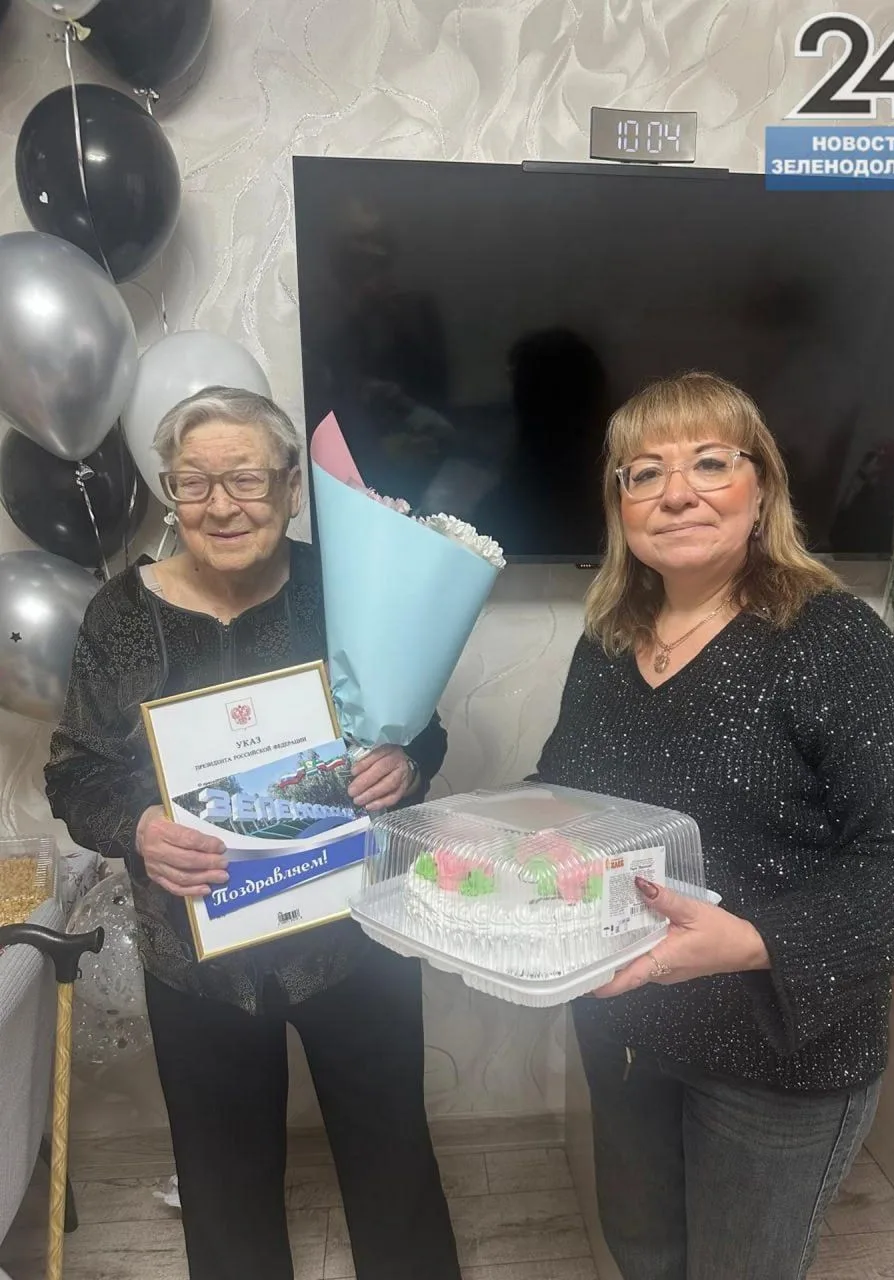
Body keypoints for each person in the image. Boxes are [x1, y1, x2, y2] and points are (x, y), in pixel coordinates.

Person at [534, 371, 894, 1280]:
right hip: (625, 1022)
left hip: (778, 1053)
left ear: (761, 488)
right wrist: (513, 835)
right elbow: (569, 793)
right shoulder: (606, 641)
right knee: (643, 1252)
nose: (676, 492)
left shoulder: (833, 641)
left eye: (710, 463)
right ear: (620, 505)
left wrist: (756, 941)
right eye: (644, 473)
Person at [45, 387, 462, 1280]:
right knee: (223, 1187)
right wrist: (138, 825)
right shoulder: (121, 615)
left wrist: (407, 765)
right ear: (170, 492)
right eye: (193, 482)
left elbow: (419, 727)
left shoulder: (347, 589)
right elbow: (74, 772)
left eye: (245, 478)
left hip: (356, 938)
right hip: (196, 956)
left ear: (291, 488)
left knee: (393, 1161)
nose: (221, 505)